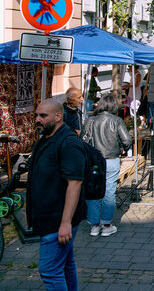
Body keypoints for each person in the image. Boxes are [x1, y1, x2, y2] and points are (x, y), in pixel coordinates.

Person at [27, 99, 86, 289]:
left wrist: (65, 223)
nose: (37, 119)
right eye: (36, 115)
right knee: (66, 265)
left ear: (58, 116)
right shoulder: (47, 138)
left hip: (57, 219)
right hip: (48, 218)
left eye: (43, 116)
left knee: (49, 270)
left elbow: (75, 183)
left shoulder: (68, 142)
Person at [82, 93, 132, 237]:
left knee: (93, 192)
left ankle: (94, 225)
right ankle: (107, 224)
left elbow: (83, 141)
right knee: (109, 191)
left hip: (94, 161)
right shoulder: (116, 120)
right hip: (111, 159)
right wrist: (124, 149)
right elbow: (127, 140)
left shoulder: (90, 120)